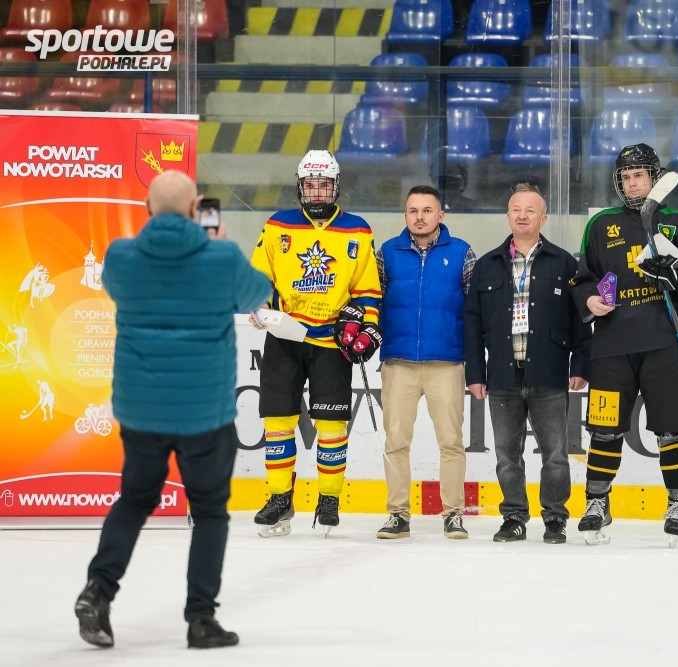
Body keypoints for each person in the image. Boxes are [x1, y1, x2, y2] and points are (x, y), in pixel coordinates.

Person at [74, 170, 271, 649]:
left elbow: (118, 289)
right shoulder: (221, 257)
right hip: (205, 412)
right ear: (195, 208)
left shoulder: (120, 255)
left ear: (147, 207)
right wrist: (219, 245)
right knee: (209, 513)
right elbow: (258, 294)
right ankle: (201, 619)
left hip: (142, 409)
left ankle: (98, 590)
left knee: (134, 500)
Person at [570, 144, 678, 545]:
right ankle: (597, 502)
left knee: (672, 428)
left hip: (665, 342)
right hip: (612, 345)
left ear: (654, 177)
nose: (632, 183)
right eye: (625, 177)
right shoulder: (601, 224)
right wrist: (589, 299)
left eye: (638, 175)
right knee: (604, 429)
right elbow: (582, 278)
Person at [249, 149, 383, 538]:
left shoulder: (357, 230)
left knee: (331, 425)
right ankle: (279, 497)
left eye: (324, 185)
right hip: (284, 337)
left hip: (331, 343)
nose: (318, 192)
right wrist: (258, 303)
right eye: (311, 185)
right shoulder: (277, 224)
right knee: (277, 423)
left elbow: (368, 289)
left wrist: (368, 327)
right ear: (300, 186)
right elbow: (259, 277)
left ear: (336, 186)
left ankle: (328, 499)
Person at [465, 183, 592, 544]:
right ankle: (514, 517)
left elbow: (580, 318)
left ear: (543, 218)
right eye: (516, 209)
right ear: (508, 216)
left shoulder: (564, 263)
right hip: (502, 375)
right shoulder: (488, 265)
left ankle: (555, 518)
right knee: (507, 455)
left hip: (549, 374)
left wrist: (581, 365)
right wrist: (475, 372)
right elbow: (472, 322)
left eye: (530, 210)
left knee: (556, 455)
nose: (522, 216)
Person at [374, 185, 476, 539]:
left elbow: (474, 309)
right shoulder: (387, 253)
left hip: (446, 361)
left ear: (440, 215)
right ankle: (397, 515)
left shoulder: (462, 252)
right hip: (398, 362)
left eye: (427, 210)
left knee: (451, 441)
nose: (420, 217)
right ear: (406, 215)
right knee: (396, 441)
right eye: (413, 211)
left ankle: (454, 514)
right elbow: (372, 301)